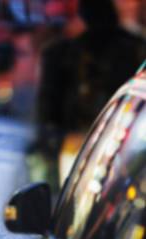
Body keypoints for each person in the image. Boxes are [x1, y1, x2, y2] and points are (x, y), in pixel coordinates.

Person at [35, 0, 145, 190]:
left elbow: (47, 116)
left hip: (87, 147)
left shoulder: (59, 53)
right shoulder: (134, 48)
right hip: (114, 148)